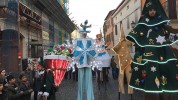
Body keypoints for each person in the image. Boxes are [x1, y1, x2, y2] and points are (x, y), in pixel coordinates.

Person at [73, 20, 96, 100]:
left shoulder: (90, 41)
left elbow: (93, 50)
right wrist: (75, 59)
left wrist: (94, 57)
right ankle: (80, 98)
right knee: (80, 83)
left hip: (88, 63)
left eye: (86, 33)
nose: (85, 34)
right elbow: (75, 50)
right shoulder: (77, 40)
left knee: (89, 83)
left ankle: (90, 98)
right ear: (81, 33)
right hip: (81, 63)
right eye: (83, 33)